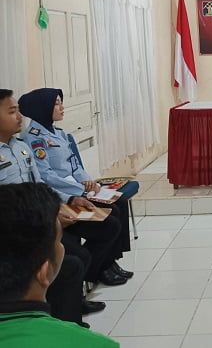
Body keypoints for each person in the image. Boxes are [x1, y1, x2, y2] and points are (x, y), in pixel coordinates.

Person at [0, 88, 105, 326]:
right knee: (71, 263)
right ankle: (63, 320)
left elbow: (40, 186)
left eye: (18, 111)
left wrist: (65, 203)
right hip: (12, 234)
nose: (20, 117)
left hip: (37, 222)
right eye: (12, 111)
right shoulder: (31, 140)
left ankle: (69, 314)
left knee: (78, 256)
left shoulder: (20, 147)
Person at [18, 88, 133, 287]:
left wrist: (88, 182)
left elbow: (74, 165)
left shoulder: (59, 133)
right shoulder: (34, 138)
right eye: (56, 104)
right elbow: (46, 176)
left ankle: (109, 261)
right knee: (111, 217)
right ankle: (97, 269)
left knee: (120, 203)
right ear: (42, 108)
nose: (62, 107)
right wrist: (79, 189)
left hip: (77, 189)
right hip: (63, 195)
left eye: (61, 102)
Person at [0, 183, 118, 347]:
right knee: (75, 262)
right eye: (58, 242)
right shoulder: (96, 344)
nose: (61, 246)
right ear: (43, 271)